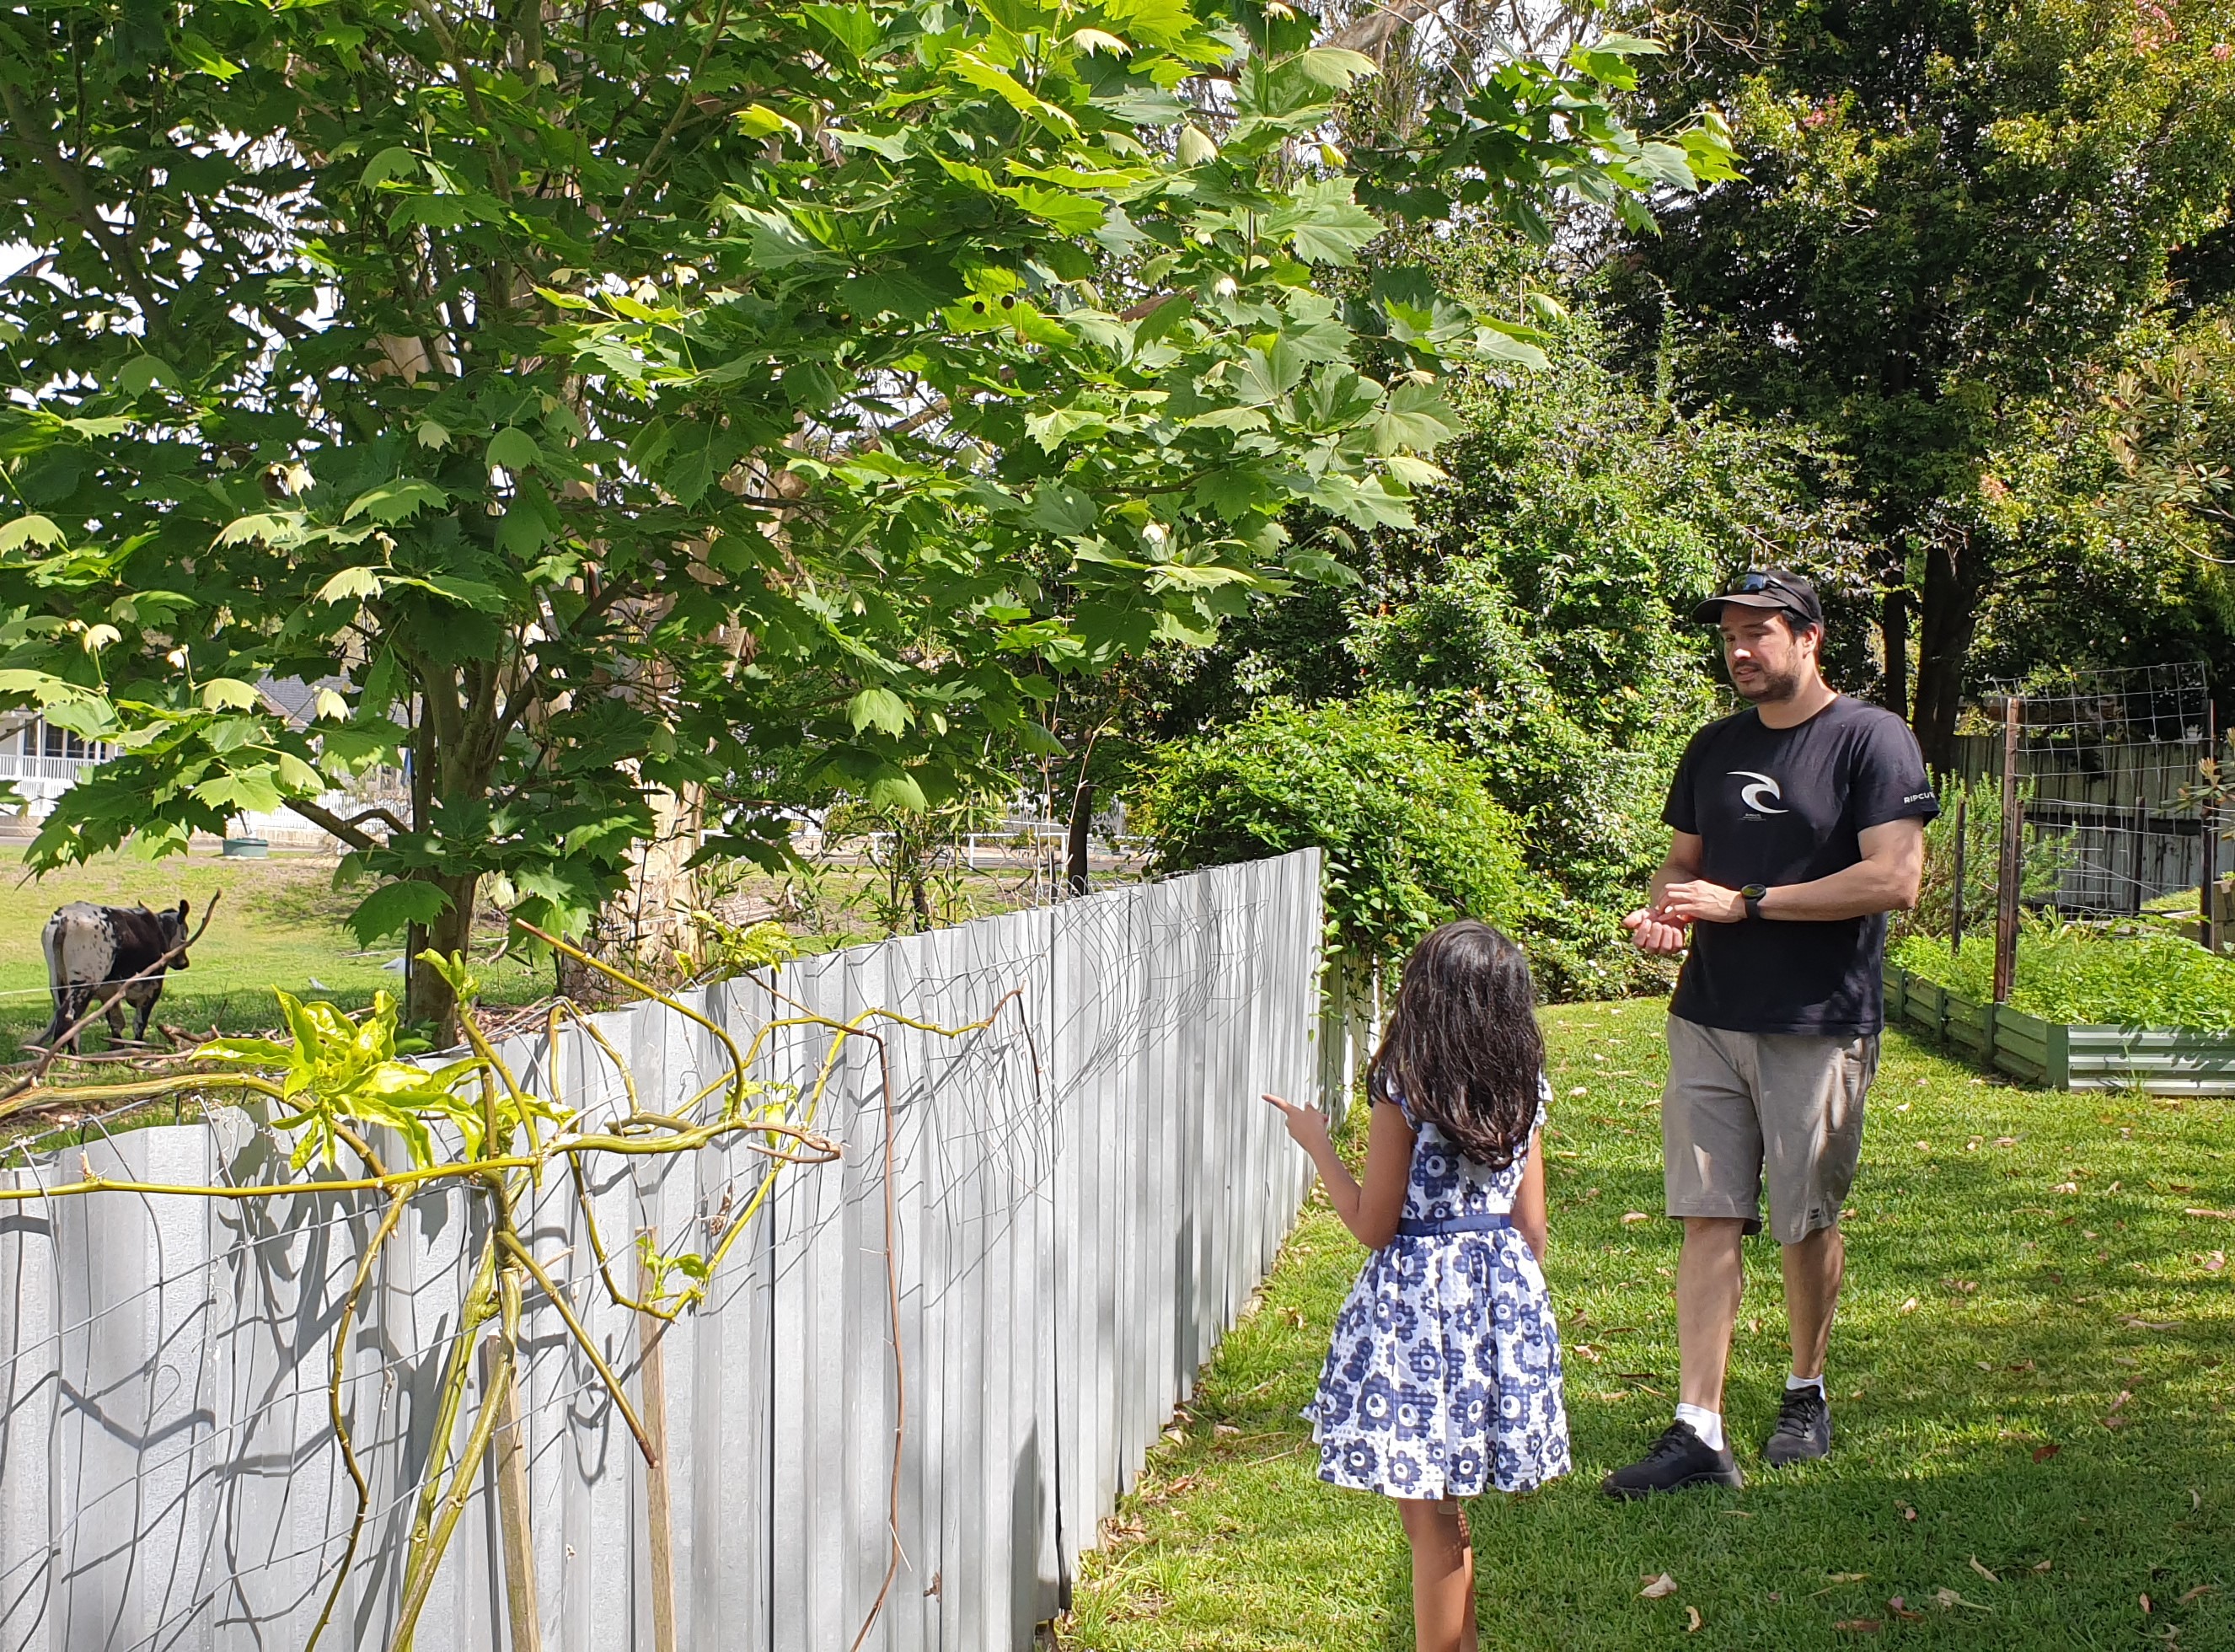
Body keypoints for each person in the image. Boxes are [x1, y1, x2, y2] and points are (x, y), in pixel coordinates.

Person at [1605, 570, 1935, 1497]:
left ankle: (1804, 1387)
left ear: (1810, 638)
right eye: (1730, 638)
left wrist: (1747, 903)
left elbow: (1895, 880)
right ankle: (1698, 1429)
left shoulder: (1871, 740)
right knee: (1708, 1215)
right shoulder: (1713, 747)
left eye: (1760, 633)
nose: (1742, 651)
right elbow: (1681, 864)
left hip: (1817, 1023)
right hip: (1708, 1016)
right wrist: (1666, 913)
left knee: (1802, 1219)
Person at [1264, 921, 1568, 1652]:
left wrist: (1317, 1146)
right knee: (1445, 1506)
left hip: (1417, 1316)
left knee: (1428, 1516)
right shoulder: (1524, 1086)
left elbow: (1374, 1224)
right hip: (1499, 1304)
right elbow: (1533, 1228)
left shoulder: (1404, 1087)